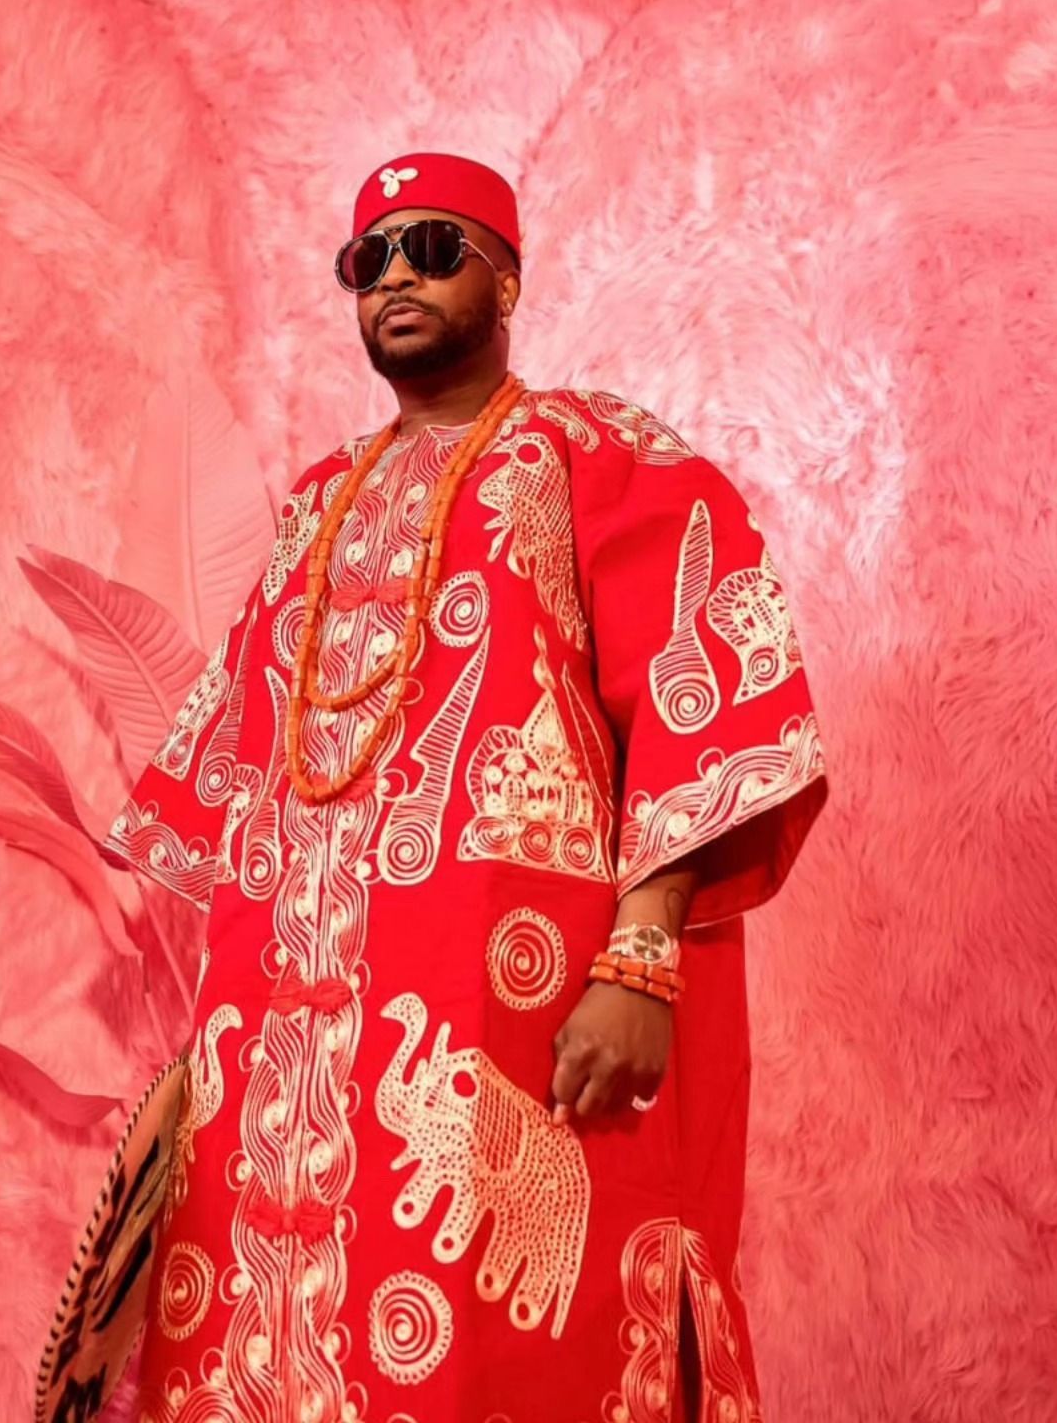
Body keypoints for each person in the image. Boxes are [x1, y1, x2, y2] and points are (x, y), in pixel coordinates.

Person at [102, 151, 828, 1423]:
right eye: (367, 258)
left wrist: (641, 961)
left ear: (508, 275)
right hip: (282, 1065)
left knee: (510, 1355)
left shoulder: (598, 455)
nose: (394, 276)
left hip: (518, 1036)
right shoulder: (319, 503)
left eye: (433, 249)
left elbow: (695, 703)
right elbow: (246, 791)